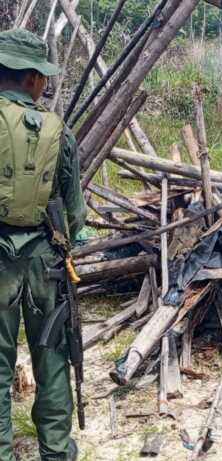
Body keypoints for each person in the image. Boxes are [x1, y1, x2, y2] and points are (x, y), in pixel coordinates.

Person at [0, 29, 85, 461]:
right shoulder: (58, 132)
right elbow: (75, 215)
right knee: (51, 357)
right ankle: (55, 450)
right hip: (44, 264)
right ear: (33, 78)